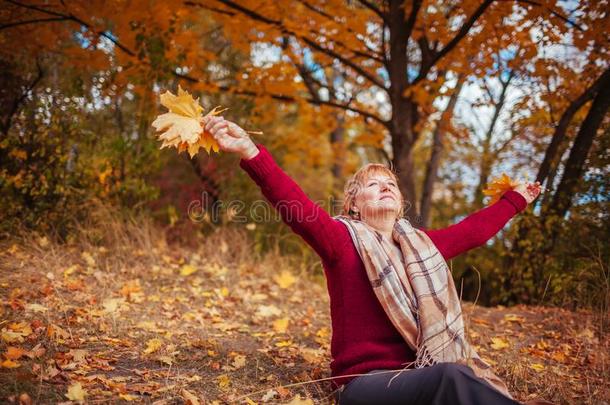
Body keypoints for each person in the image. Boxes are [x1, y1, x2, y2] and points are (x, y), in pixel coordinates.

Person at [203, 116, 546, 405]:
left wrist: (514, 200)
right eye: (372, 184)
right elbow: (295, 204)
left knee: (462, 378)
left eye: (391, 184)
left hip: (419, 378)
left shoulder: (422, 248)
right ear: (353, 204)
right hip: (365, 384)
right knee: (454, 377)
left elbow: (474, 231)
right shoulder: (341, 240)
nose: (385, 188)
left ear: (400, 202)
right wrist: (250, 150)